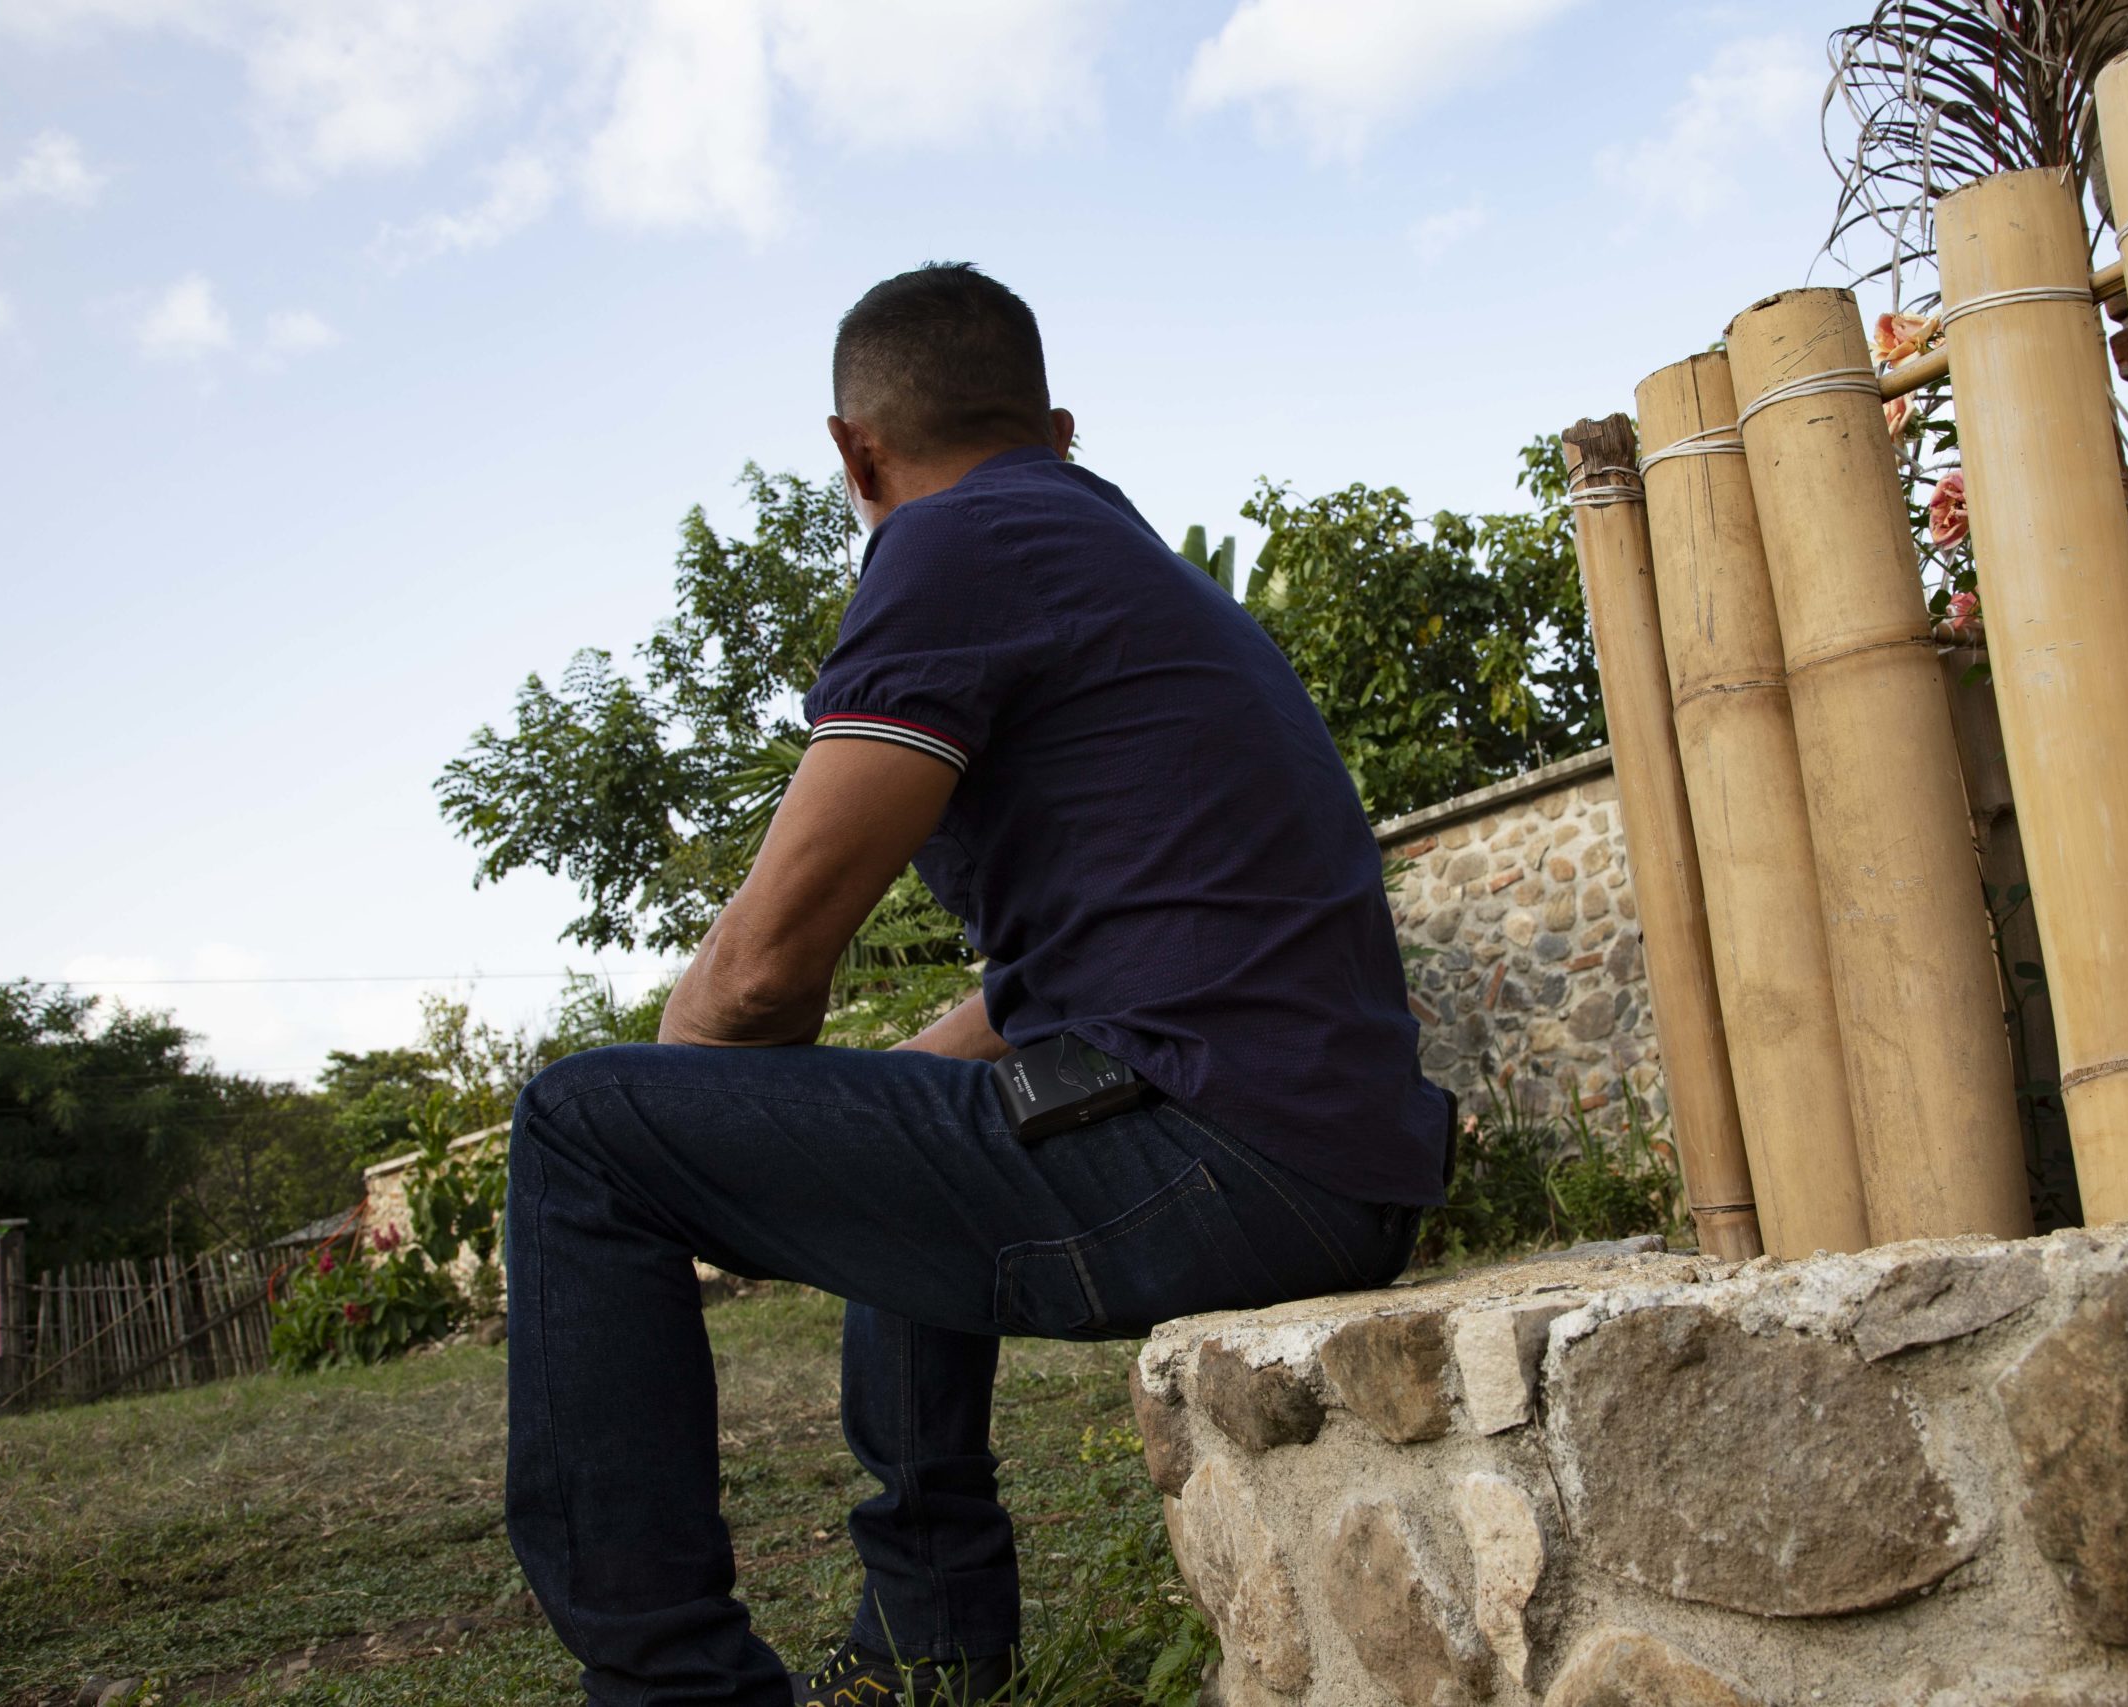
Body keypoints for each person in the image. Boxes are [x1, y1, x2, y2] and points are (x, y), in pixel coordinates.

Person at [503, 262, 1451, 1707]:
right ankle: (931, 1641)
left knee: (583, 1126)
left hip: (1225, 1155)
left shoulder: (950, 549)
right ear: (1056, 427)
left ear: (855, 452)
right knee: (915, 1101)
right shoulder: (1109, 558)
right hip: (1317, 1152)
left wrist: (678, 1125)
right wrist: (824, 1115)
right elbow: (1054, 987)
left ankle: (671, 1691)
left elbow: (759, 975)